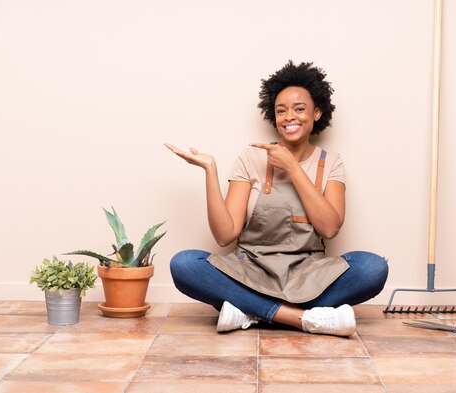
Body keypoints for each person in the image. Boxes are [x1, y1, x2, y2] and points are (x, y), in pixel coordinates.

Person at [165, 61, 388, 337]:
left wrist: (293, 168)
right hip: (251, 271)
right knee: (184, 264)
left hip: (308, 274)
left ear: (317, 112)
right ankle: (303, 319)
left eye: (299, 109)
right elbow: (225, 236)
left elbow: (330, 227)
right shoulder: (251, 158)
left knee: (373, 268)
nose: (288, 117)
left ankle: (251, 312)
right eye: (281, 111)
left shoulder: (330, 162)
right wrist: (210, 171)